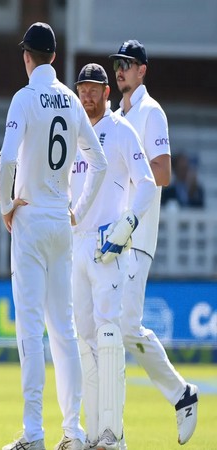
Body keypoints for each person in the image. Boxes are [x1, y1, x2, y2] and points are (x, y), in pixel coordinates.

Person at [0, 23, 107, 450]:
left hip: (29, 220)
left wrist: (6, 203)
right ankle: (74, 431)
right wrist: (76, 211)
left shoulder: (24, 99)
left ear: (28, 56)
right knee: (64, 329)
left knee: (30, 329)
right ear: (54, 58)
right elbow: (97, 162)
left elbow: (7, 158)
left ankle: (34, 433)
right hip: (60, 220)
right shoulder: (69, 98)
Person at [109, 40, 199, 445]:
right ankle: (110, 432)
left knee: (124, 327)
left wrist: (130, 163)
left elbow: (161, 174)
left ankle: (180, 395)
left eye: (127, 64)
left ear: (142, 70)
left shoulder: (152, 112)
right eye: (118, 64)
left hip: (138, 237)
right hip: (108, 240)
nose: (120, 70)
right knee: (105, 331)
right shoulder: (115, 116)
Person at [71, 63, 156, 450]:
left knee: (108, 336)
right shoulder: (71, 130)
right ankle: (93, 434)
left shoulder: (122, 131)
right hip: (75, 245)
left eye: (94, 89)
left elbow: (148, 185)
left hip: (108, 247)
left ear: (107, 92)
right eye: (82, 89)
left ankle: (113, 434)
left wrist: (127, 225)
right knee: (85, 341)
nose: (87, 95)